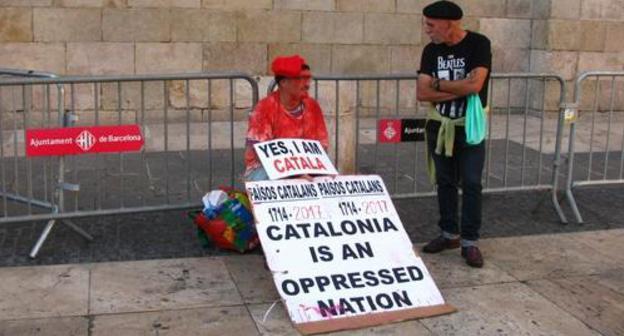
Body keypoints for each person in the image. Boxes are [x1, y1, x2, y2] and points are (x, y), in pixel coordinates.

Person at [416, 0, 492, 268]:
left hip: (468, 126)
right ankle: (449, 234)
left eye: (430, 24)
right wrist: (459, 87)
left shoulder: (478, 44)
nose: (427, 30)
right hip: (440, 125)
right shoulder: (431, 51)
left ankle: (470, 241)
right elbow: (422, 92)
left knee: (471, 181)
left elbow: (476, 84)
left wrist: (438, 83)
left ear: (449, 24)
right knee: (445, 181)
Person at [244, 55, 329, 181]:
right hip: (263, 169)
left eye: (308, 79)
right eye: (301, 79)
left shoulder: (312, 106)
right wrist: (294, 175)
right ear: (283, 82)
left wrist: (320, 171)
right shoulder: (264, 108)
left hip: (305, 167)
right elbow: (260, 153)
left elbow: (322, 145)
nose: (307, 85)